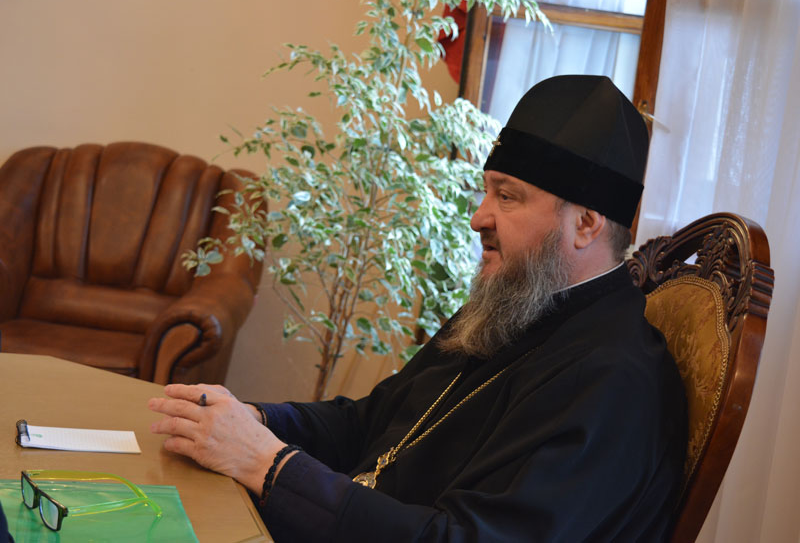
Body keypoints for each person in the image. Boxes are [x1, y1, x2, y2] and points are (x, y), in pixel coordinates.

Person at [149, 75, 687, 542]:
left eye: (507, 196)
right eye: (487, 192)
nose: (478, 218)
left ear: (586, 224)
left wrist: (269, 465)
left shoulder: (616, 382)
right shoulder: (514, 305)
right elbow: (370, 422)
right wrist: (256, 421)